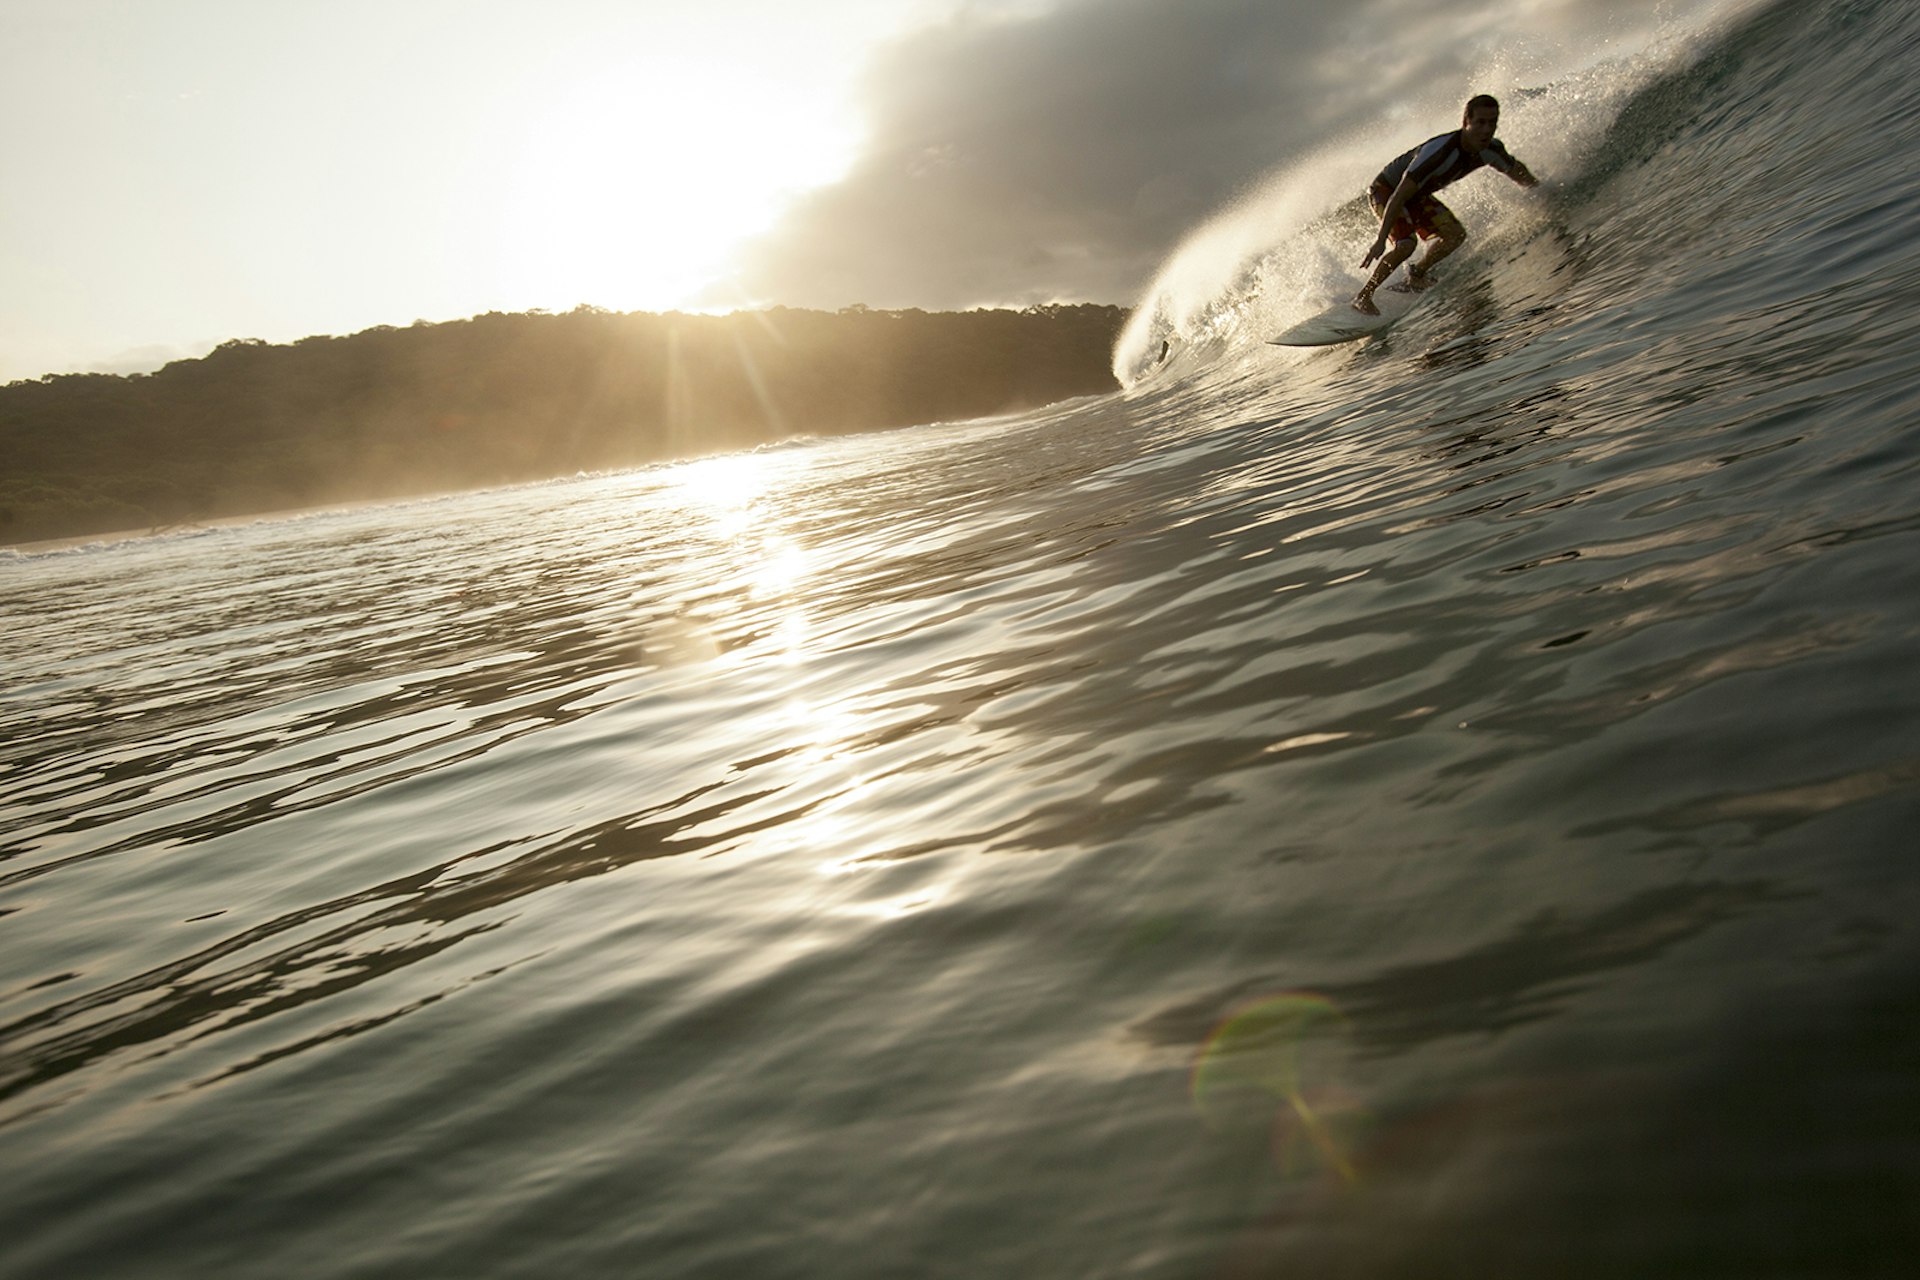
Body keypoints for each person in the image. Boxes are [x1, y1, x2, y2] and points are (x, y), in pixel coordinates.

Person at [1353, 94, 1538, 314]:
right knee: (1406, 244)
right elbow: (1398, 196)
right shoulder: (1439, 152)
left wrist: (1542, 190)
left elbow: (1518, 173)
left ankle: (1416, 275)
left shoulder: (1492, 150)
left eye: (1492, 123)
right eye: (1480, 122)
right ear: (1465, 122)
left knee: (1455, 235)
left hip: (1416, 196)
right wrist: (1381, 240)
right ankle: (1363, 297)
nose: (1487, 129)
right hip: (1387, 191)